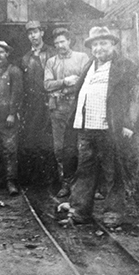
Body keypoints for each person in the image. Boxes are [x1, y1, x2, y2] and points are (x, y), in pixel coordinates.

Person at [65, 26, 138, 228]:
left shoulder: (126, 66)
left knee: (113, 171)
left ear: (113, 44)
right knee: (84, 171)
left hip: (111, 128)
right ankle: (80, 211)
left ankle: (113, 214)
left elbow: (137, 98)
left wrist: (129, 124)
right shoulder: (89, 66)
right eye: (95, 44)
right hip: (87, 128)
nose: (99, 48)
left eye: (103, 43)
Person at [44, 28, 90, 197]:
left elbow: (85, 80)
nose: (59, 45)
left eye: (62, 41)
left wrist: (70, 84)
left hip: (77, 107)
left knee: (81, 146)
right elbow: (47, 85)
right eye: (56, 43)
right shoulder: (51, 62)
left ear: (69, 41)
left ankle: (84, 185)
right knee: (60, 148)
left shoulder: (82, 58)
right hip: (57, 109)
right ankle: (66, 183)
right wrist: (65, 81)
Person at [20, 20, 56, 185]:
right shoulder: (26, 58)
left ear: (42, 32)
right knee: (32, 139)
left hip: (50, 101)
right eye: (30, 33)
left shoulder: (53, 52)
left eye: (35, 32)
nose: (33, 36)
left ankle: (52, 178)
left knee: (50, 139)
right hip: (32, 104)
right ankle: (36, 179)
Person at [0, 41, 24, 195]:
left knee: (10, 149)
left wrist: (12, 113)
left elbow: (17, 93)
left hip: (7, 117)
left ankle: (11, 181)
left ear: (7, 54)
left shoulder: (14, 71)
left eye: (1, 52)